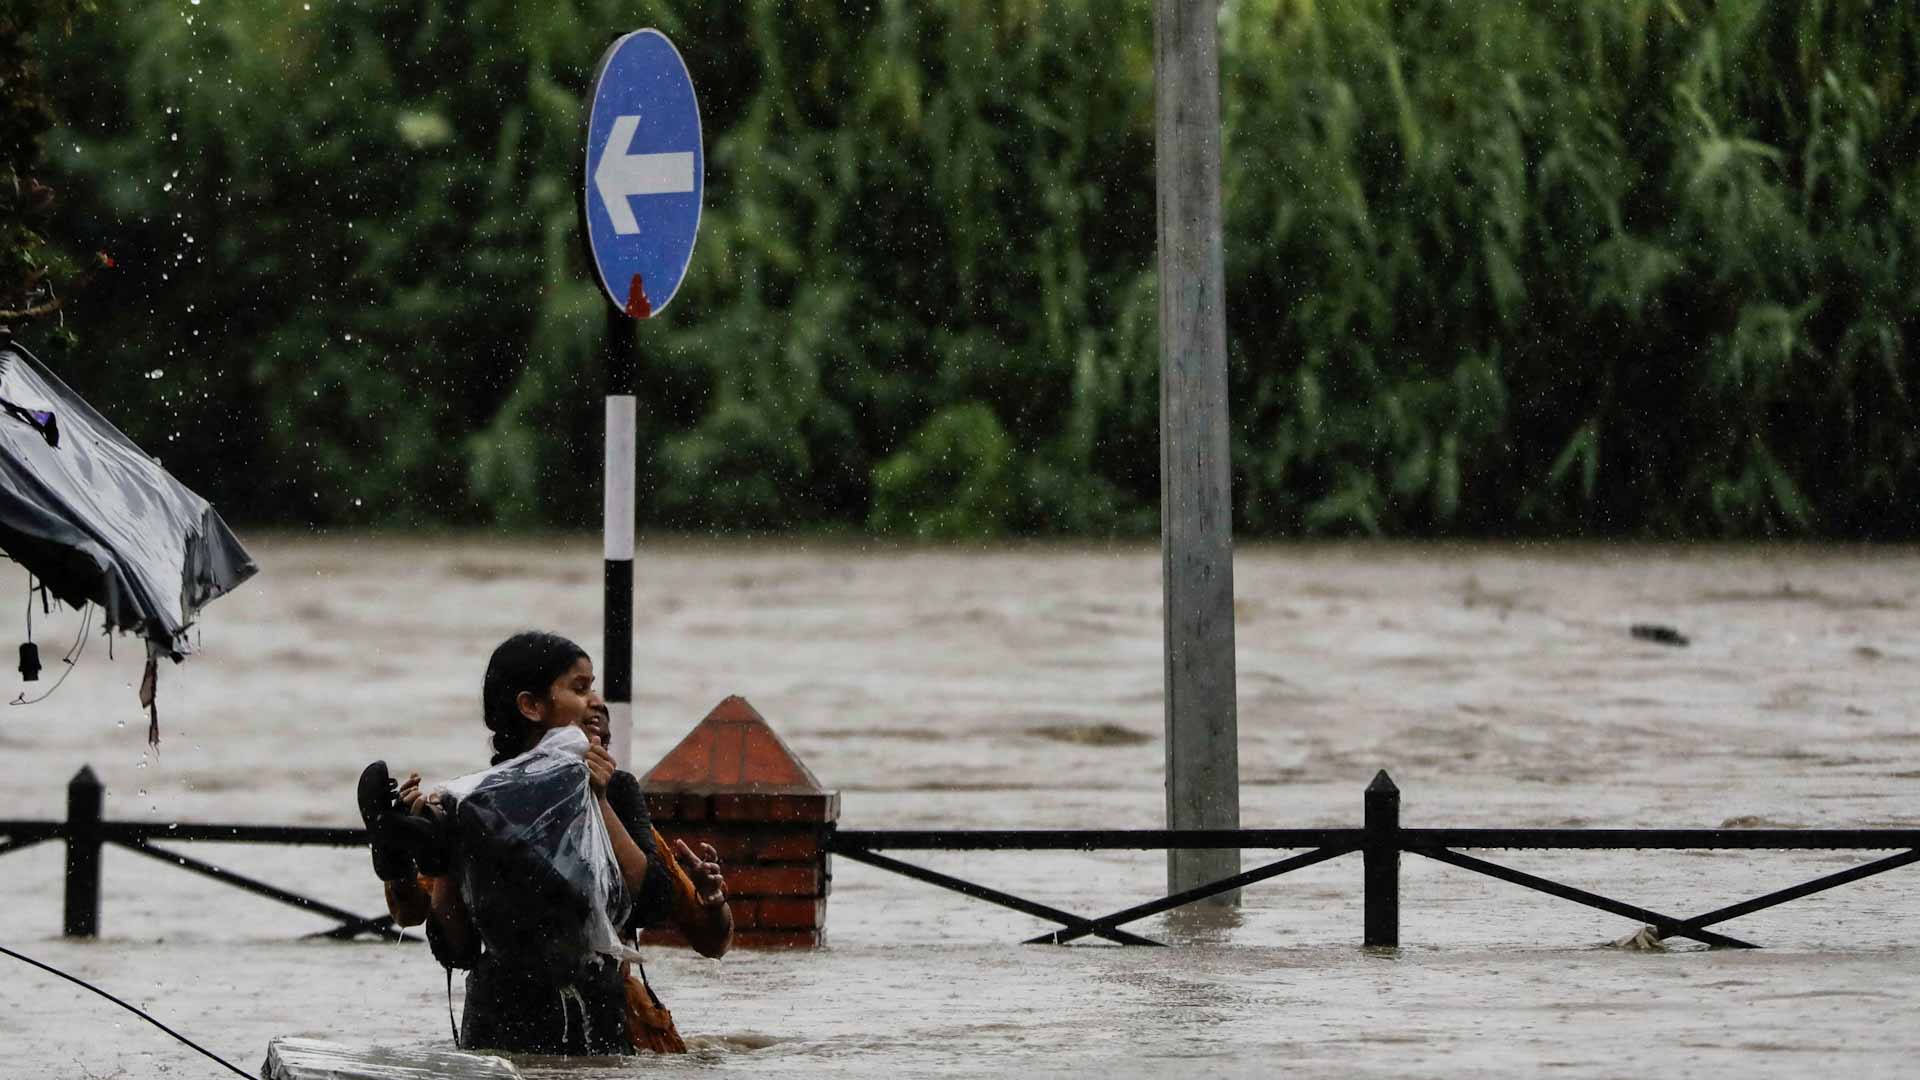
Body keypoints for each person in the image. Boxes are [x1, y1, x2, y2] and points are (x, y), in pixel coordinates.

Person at [360, 630, 732, 1055]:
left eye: (592, 688)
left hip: (587, 1014)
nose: (595, 700)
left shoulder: (613, 790)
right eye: (580, 688)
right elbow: (456, 948)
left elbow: (654, 902)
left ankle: (419, 839)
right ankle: (421, 841)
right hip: (509, 1021)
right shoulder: (475, 804)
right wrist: (441, 861)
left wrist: (598, 799)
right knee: (457, 837)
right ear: (531, 707)